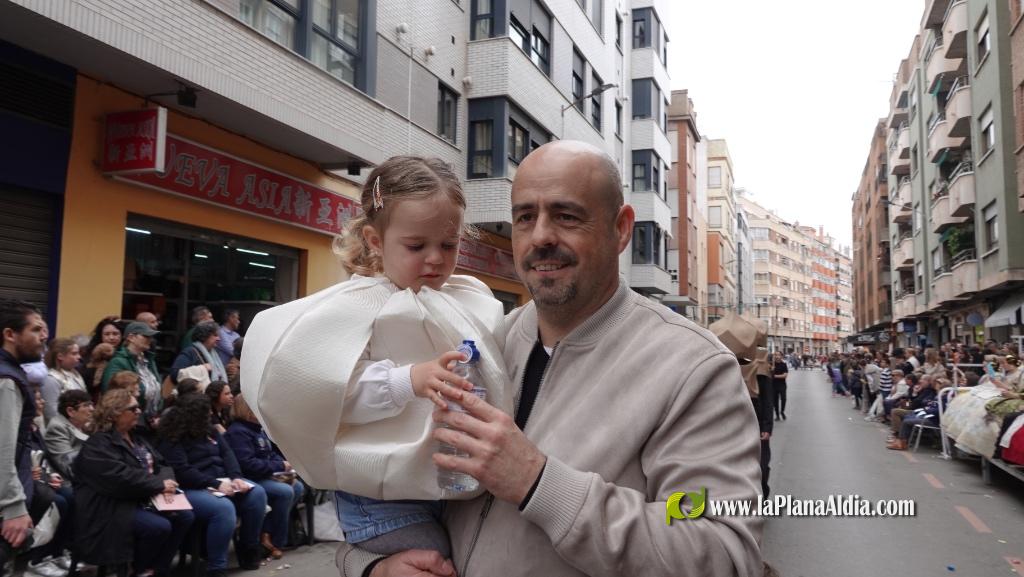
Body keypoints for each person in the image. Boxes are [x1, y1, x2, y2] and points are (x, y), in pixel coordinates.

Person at [331, 142, 762, 577]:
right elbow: (381, 494)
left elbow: (717, 547)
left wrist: (537, 482)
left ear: (621, 229)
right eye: (524, 217)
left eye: (566, 215)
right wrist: (374, 567)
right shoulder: (481, 340)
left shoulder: (693, 368)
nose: (540, 237)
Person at [243, 156, 509, 560]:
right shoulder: (356, 309)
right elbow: (330, 394)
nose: (436, 258)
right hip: (377, 496)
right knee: (433, 558)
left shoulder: (467, 299)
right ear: (375, 240)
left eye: (449, 244)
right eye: (416, 246)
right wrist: (409, 379)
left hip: (449, 484)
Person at [74, 389, 194, 576]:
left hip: (142, 497)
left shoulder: (137, 438)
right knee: (158, 527)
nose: (139, 411)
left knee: (185, 517)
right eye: (133, 408)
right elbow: (119, 478)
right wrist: (159, 485)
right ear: (114, 414)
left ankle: (157, 569)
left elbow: (162, 463)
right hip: (111, 505)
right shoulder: (98, 444)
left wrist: (166, 482)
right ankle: (138, 570)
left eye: (139, 407)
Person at [157, 395, 267, 576]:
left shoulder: (210, 430)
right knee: (223, 509)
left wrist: (236, 477)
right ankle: (217, 567)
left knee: (257, 494)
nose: (210, 414)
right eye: (206, 411)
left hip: (221, 481)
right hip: (192, 488)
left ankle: (249, 549)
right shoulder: (173, 437)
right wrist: (215, 484)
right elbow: (182, 471)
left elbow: (227, 453)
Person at [224, 394, 305, 560]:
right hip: (250, 478)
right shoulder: (238, 432)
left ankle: (267, 534)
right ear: (247, 410)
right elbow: (247, 464)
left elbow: (269, 454)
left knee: (297, 487)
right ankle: (277, 542)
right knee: (284, 491)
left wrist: (284, 465)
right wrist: (280, 466)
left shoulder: (257, 429)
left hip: (265, 474)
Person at [0, 299, 48, 575]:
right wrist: (14, 507)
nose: (44, 336)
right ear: (10, 334)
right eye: (36, 329)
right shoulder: (7, 381)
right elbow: (3, 450)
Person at [101, 322, 162, 416]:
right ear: (131, 337)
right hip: (130, 417)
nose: (150, 339)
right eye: (146, 336)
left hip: (151, 418)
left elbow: (158, 389)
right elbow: (111, 394)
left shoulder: (149, 360)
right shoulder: (118, 362)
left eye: (150, 337)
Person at [43, 390, 94, 480]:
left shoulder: (86, 425)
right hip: (69, 482)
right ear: (70, 411)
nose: (92, 409)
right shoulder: (57, 428)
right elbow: (69, 466)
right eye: (86, 405)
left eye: (91, 404)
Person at [40, 339, 86, 425]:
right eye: (74, 354)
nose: (79, 357)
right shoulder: (51, 379)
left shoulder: (76, 374)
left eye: (78, 353)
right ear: (60, 356)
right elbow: (51, 412)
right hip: (61, 428)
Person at [170, 321, 227, 387]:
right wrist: (202, 368)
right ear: (204, 336)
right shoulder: (190, 352)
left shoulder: (214, 354)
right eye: (215, 335)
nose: (219, 339)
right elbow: (175, 374)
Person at [772, 351, 788, 420]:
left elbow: (785, 375)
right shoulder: (772, 365)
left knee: (783, 398)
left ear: (781, 356)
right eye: (775, 355)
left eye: (778, 355)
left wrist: (774, 376)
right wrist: (772, 366)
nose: (777, 356)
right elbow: (769, 373)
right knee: (775, 400)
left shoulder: (784, 364)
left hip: (782, 385)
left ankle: (782, 411)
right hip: (773, 385)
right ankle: (777, 415)